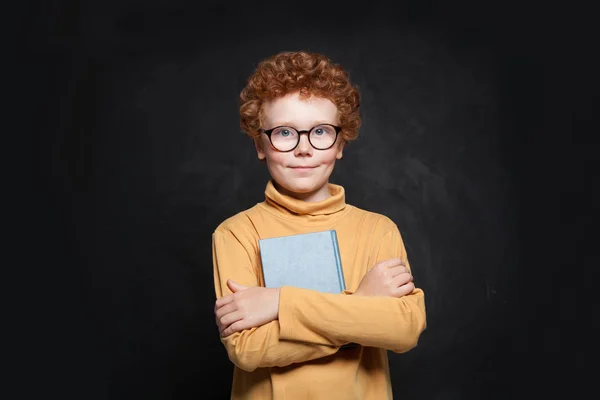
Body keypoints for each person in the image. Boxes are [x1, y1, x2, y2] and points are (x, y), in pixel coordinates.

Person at [212, 50, 426, 400]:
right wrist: (361, 304)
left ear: (340, 143)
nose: (304, 149)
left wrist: (281, 303)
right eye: (284, 132)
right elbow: (248, 349)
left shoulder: (378, 230)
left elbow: (403, 330)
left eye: (321, 131)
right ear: (260, 144)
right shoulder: (236, 233)